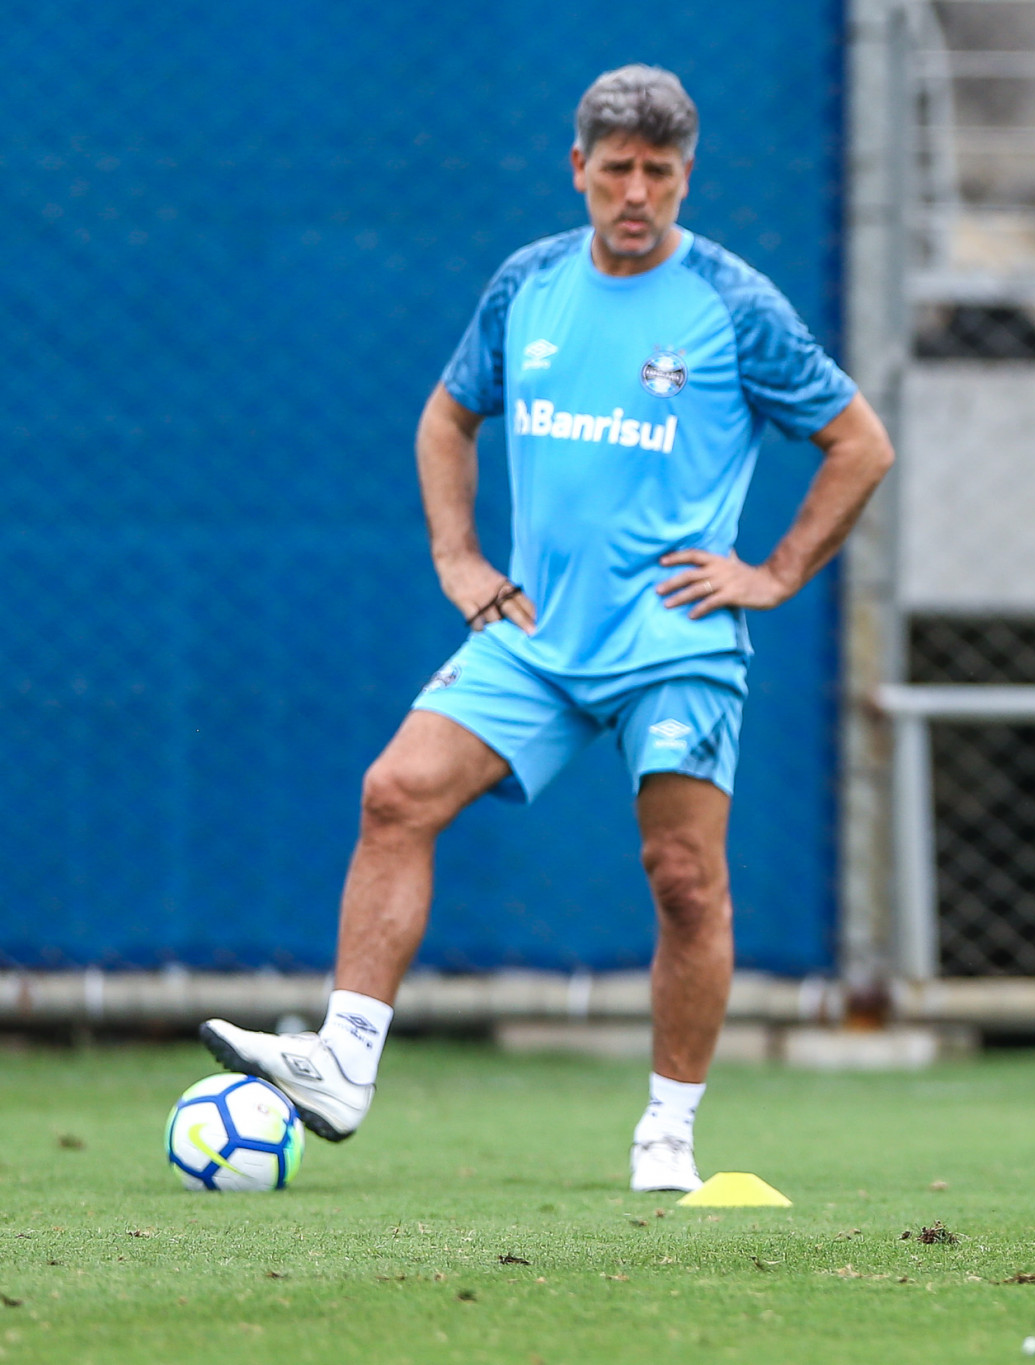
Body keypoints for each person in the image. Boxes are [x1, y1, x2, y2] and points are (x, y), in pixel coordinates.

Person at [200, 65, 894, 1193]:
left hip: (673, 639)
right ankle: (342, 1064)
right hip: (536, 633)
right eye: (614, 169)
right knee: (394, 794)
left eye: (657, 173)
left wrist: (771, 573)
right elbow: (445, 415)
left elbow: (859, 442)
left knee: (682, 879)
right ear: (577, 168)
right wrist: (459, 558)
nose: (635, 193)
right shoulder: (525, 284)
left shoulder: (734, 303)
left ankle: (667, 1130)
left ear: (685, 176)